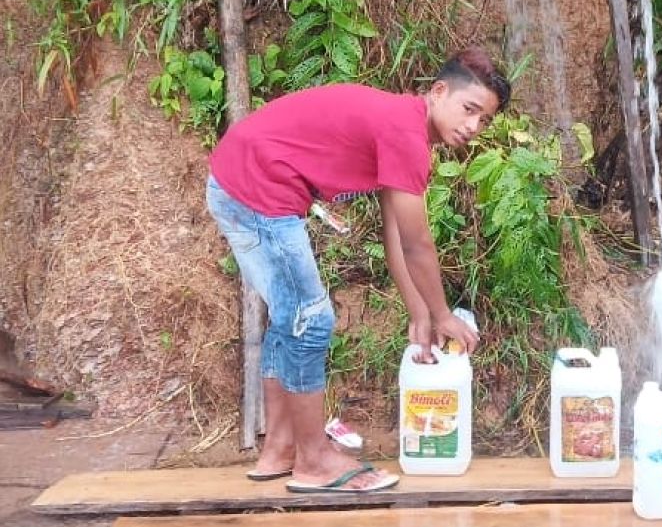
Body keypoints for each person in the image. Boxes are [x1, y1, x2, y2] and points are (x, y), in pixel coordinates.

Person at [206, 48, 510, 494]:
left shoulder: (404, 128)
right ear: (439, 92)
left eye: (483, 120)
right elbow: (417, 244)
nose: (472, 127)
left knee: (292, 313)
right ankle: (314, 461)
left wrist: (420, 313)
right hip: (256, 186)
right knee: (312, 320)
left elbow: (395, 236)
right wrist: (444, 315)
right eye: (469, 110)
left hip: (242, 180)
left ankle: (281, 449)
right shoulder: (405, 132)